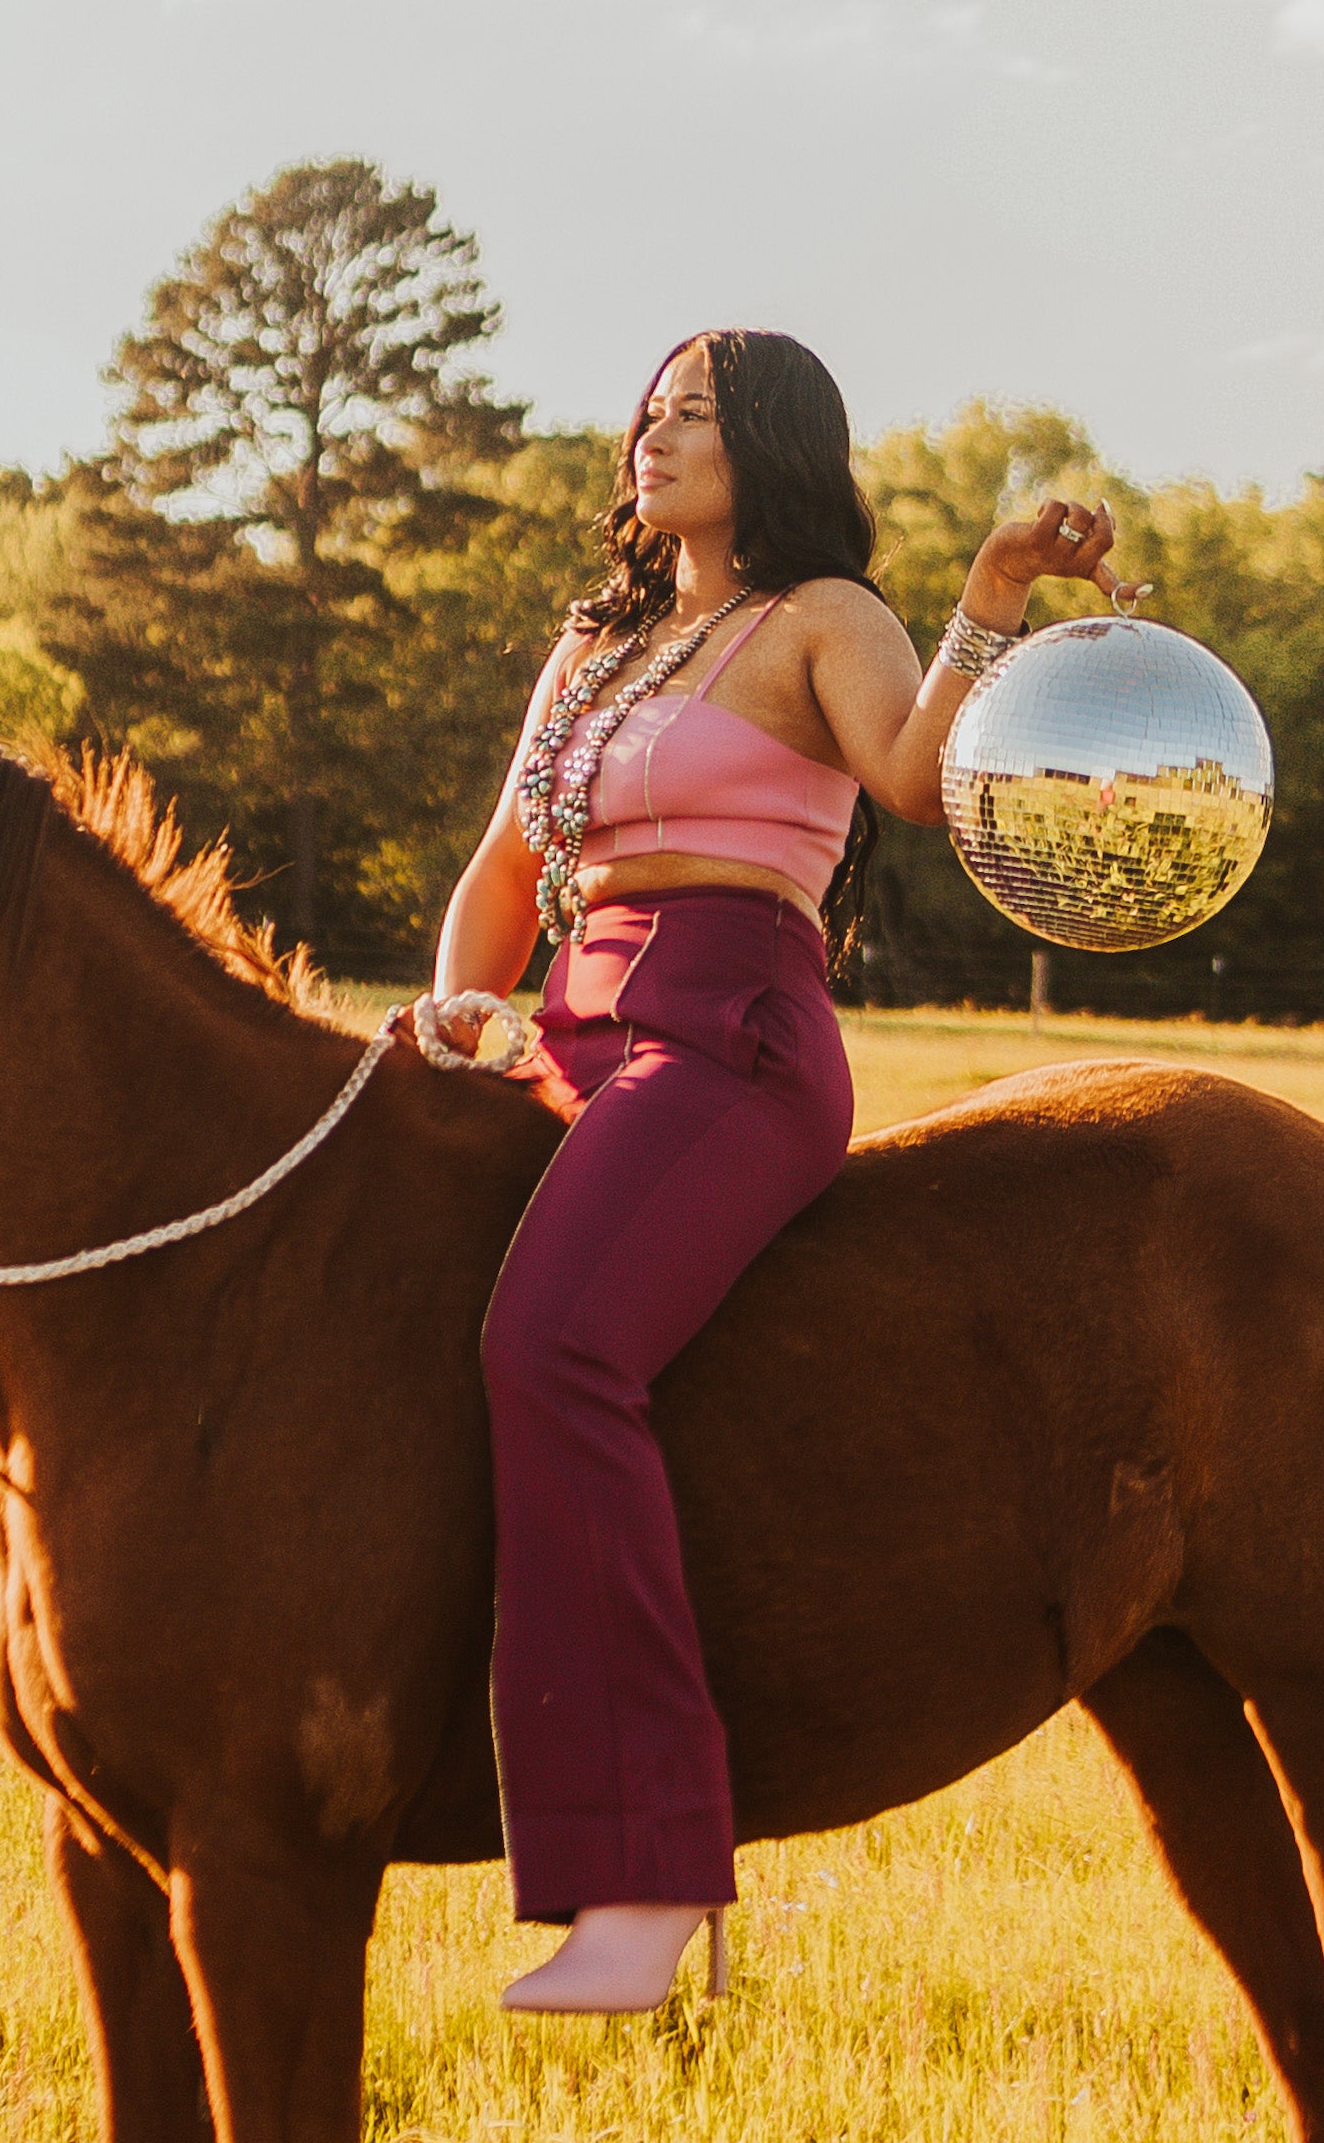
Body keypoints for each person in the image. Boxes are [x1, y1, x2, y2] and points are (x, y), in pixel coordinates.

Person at [423, 330, 1117, 2016]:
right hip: (563, 1024)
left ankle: (649, 1878)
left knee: (551, 1348)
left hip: (725, 1033)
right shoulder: (593, 642)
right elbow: (509, 864)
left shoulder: (824, 618)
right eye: (648, 413)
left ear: (774, 447)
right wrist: (457, 1003)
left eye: (697, 417)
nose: (652, 439)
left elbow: (913, 786)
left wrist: (987, 594)